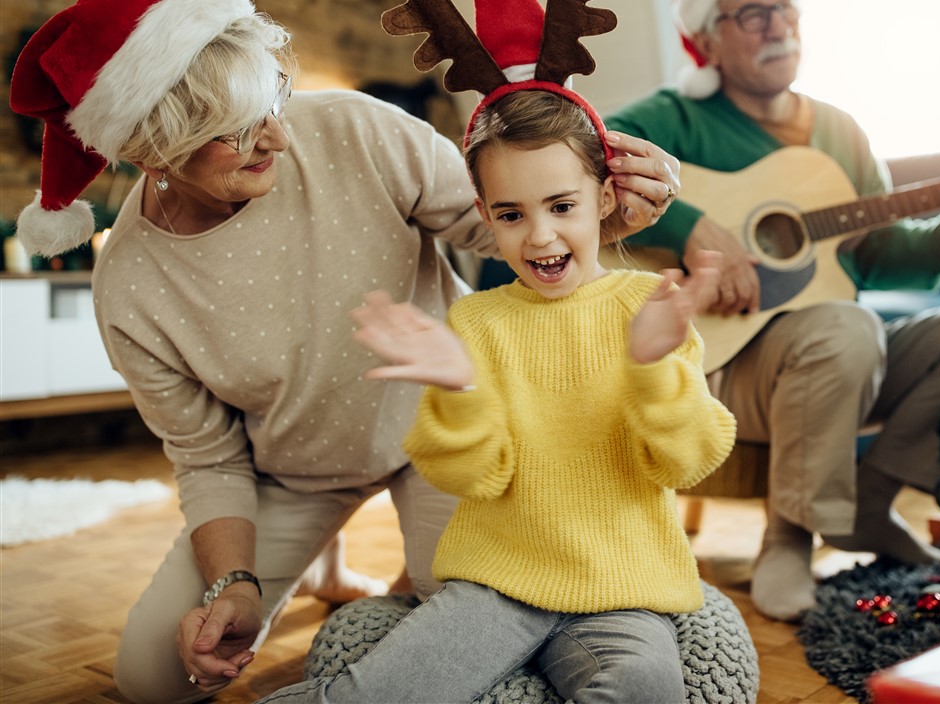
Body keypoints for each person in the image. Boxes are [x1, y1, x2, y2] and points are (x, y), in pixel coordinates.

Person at [8, 0, 682, 704]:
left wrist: (610, 211)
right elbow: (207, 458)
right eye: (237, 130)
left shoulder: (354, 128)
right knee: (154, 680)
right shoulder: (131, 287)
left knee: (474, 607)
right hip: (291, 474)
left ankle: (368, 583)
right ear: (149, 151)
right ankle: (319, 564)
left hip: (450, 431)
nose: (279, 139)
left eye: (273, 103)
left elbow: (504, 225)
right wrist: (233, 585)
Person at [258, 85, 736, 704]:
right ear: (485, 216)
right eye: (511, 215)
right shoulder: (476, 322)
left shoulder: (648, 310)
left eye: (562, 206)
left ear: (606, 199)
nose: (539, 237)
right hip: (497, 587)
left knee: (646, 684)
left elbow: (687, 461)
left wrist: (651, 368)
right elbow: (473, 475)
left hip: (621, 593)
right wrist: (458, 389)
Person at [604, 0, 940, 623]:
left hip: (839, 360)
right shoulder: (674, 120)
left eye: (786, 7)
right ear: (707, 39)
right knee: (846, 327)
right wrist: (690, 225)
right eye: (753, 14)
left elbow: (878, 257)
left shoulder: (842, 133)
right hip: (723, 367)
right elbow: (587, 157)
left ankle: (871, 504)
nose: (778, 26)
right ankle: (788, 536)